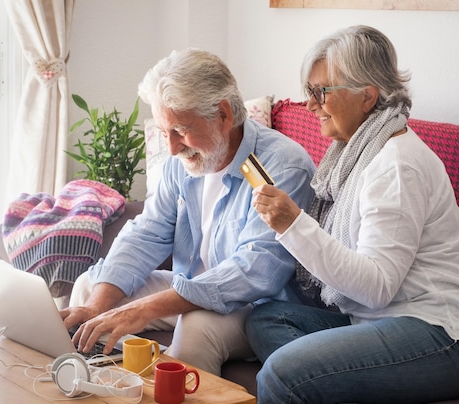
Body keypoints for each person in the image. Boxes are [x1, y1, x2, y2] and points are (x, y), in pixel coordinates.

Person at [246, 25, 459, 403]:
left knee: (282, 373)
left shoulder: (396, 166)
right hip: (384, 319)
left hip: (455, 337)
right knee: (268, 319)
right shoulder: (355, 154)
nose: (310, 104)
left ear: (367, 97)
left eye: (321, 92)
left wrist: (294, 225)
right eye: (309, 91)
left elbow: (375, 287)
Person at [60, 48, 316, 376]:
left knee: (198, 326)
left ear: (223, 114)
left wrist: (144, 308)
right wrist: (97, 307)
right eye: (165, 133)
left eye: (180, 131)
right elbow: (147, 232)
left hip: (260, 307)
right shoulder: (181, 163)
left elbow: (255, 271)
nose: (171, 147)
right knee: (88, 290)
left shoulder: (283, 165)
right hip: (192, 287)